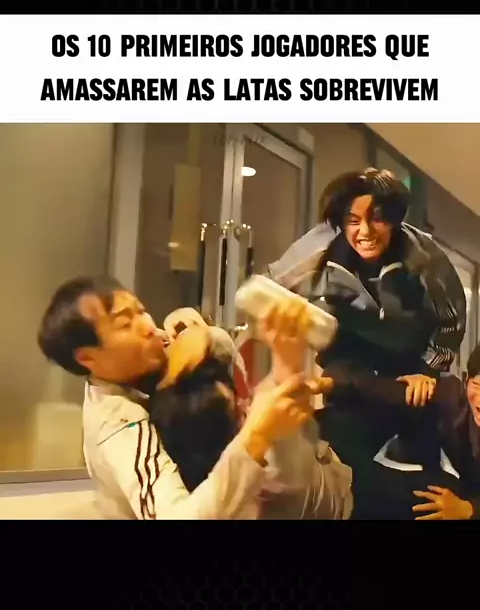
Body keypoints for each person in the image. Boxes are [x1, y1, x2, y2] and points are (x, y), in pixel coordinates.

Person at [265, 167, 467, 519]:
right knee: (344, 456)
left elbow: (450, 320)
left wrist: (428, 371)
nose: (365, 232)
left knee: (421, 457)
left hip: (409, 366)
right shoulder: (319, 247)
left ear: (395, 219)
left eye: (377, 219)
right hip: (348, 362)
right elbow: (266, 291)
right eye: (353, 221)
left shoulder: (424, 257)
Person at [37, 275, 321, 520]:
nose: (148, 326)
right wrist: (256, 434)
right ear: (88, 357)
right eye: (125, 324)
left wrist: (203, 334)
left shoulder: (147, 356)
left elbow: (219, 347)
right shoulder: (118, 427)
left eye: (141, 311)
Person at [149, 306, 353, 520]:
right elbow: (288, 397)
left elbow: (225, 352)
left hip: (324, 459)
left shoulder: (193, 448)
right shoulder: (272, 477)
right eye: (238, 412)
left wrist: (194, 331)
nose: (245, 405)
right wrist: (286, 355)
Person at [317, 353, 480, 519]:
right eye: (477, 385)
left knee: (444, 502)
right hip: (340, 469)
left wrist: (469, 510)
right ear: (466, 380)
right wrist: (331, 384)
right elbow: (380, 389)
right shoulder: (454, 398)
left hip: (468, 499)